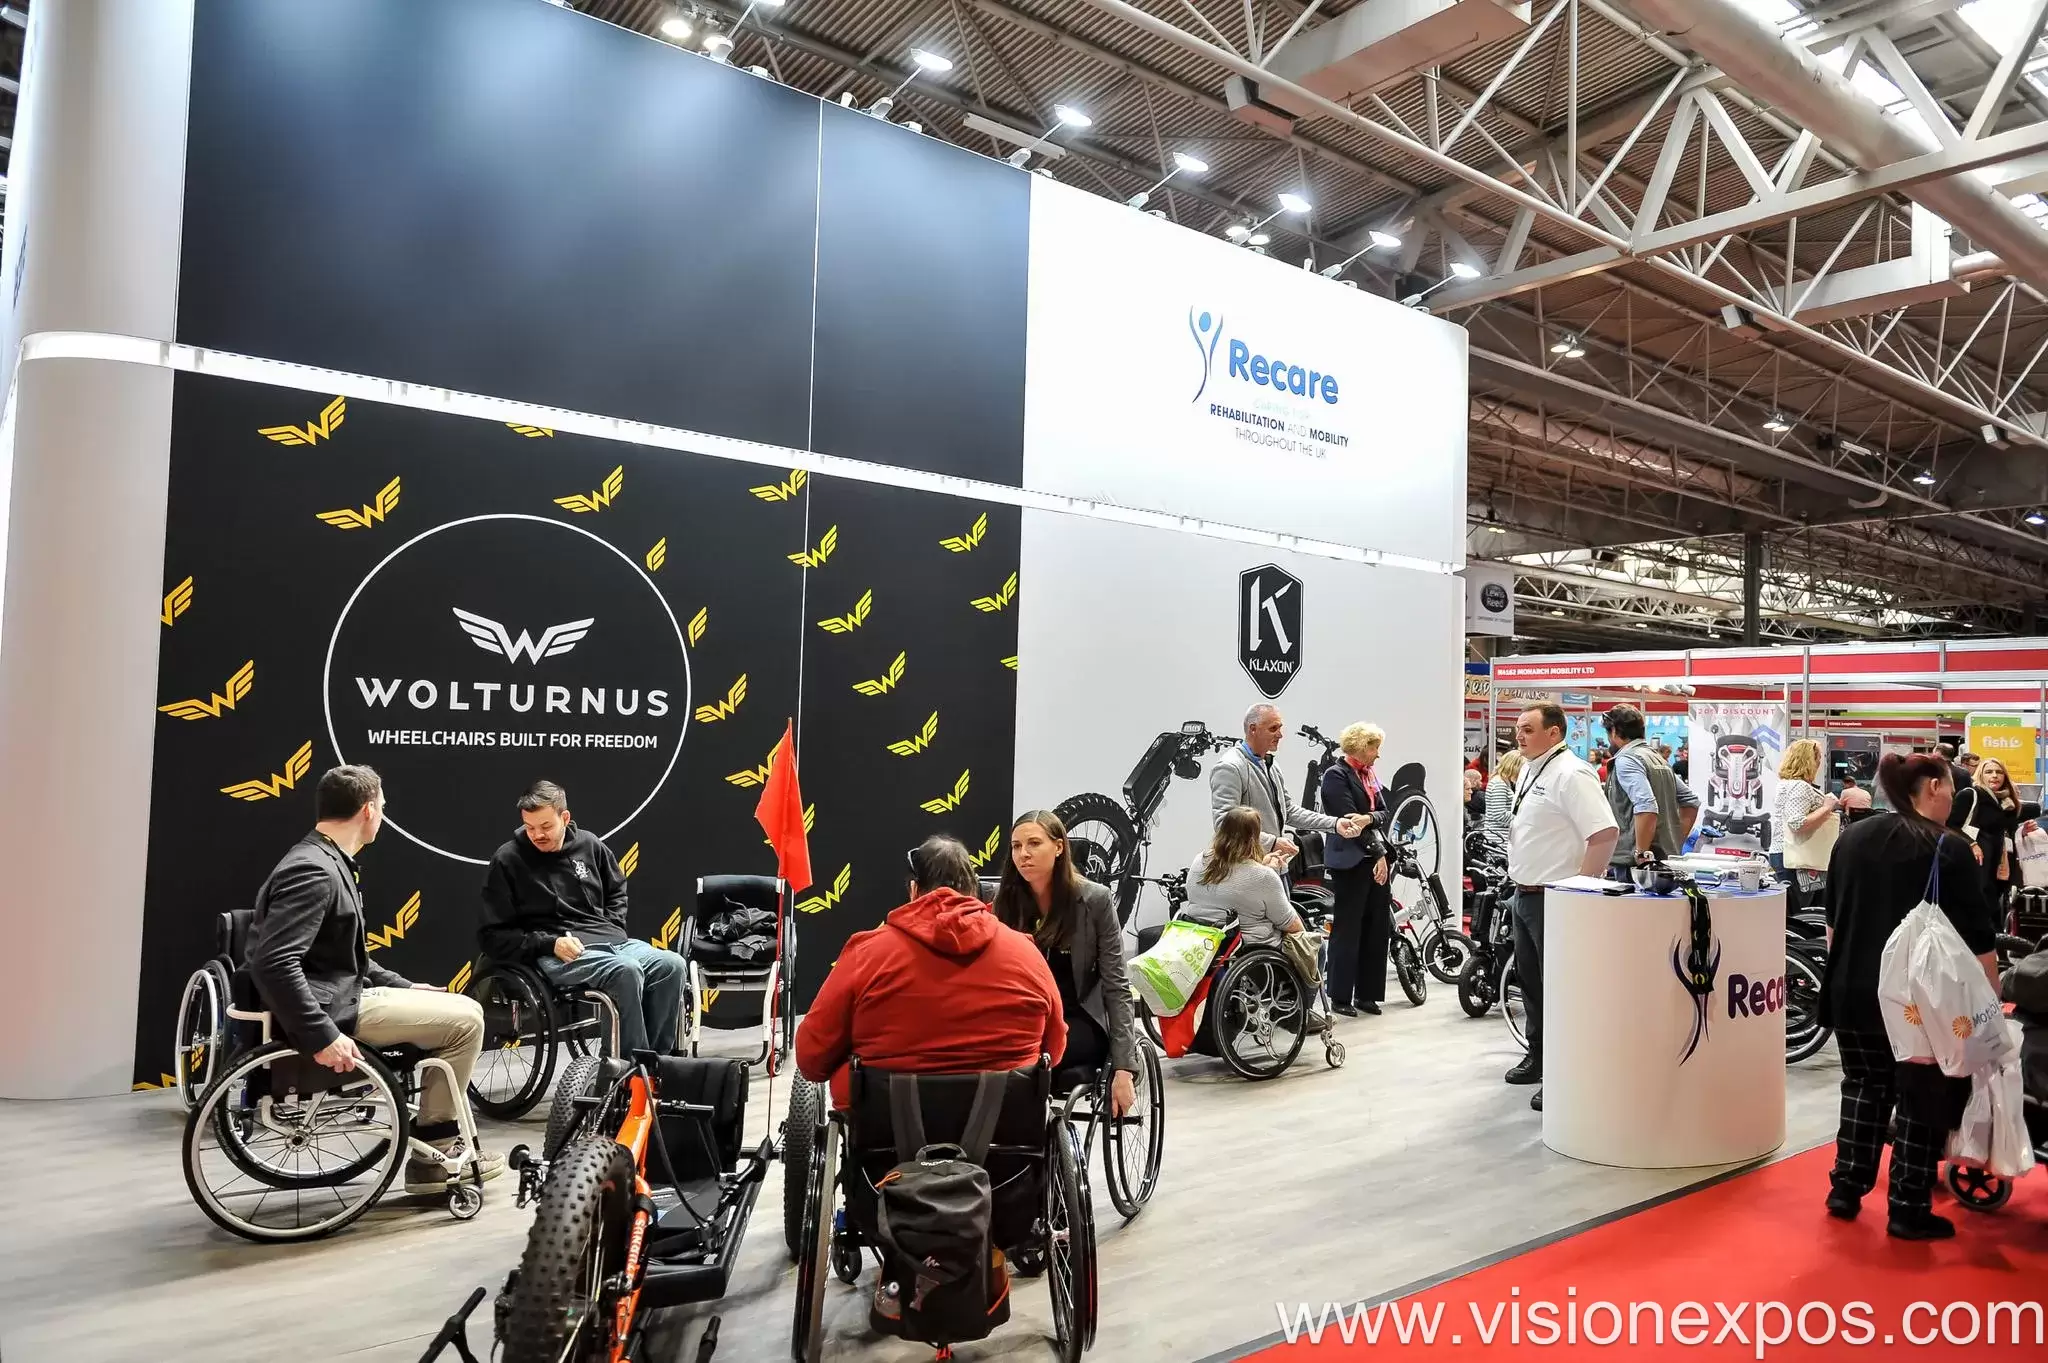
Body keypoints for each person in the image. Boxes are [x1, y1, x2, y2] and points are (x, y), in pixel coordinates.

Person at [245, 766, 500, 1193]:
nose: (382, 814)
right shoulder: (313, 871)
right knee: (467, 1022)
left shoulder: (325, 859)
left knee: (464, 1008)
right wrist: (321, 1035)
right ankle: (434, 1154)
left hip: (339, 994)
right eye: (382, 806)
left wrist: (404, 987)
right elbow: (273, 963)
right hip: (332, 1010)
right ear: (368, 810)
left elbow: (349, 958)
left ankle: (436, 1139)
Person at [1819, 752, 1999, 1239]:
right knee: (1922, 1098)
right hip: (1921, 1002)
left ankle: (1845, 1188)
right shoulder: (1948, 848)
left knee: (1862, 1086)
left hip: (1853, 988)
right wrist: (1992, 995)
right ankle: (1907, 1207)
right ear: (1933, 787)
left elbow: (1833, 922)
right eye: (1950, 789)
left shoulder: (1851, 838)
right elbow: (1978, 936)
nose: (1953, 799)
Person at [797, 834, 1064, 1108]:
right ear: (976, 891)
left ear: (914, 890)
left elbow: (811, 1059)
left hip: (883, 1124)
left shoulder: (864, 953)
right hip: (1006, 1123)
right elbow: (1054, 1052)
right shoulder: (1027, 953)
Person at [479, 780, 684, 1058]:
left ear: (565, 817)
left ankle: (656, 1063)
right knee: (626, 971)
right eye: (530, 827)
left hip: (612, 942)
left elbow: (616, 890)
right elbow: (492, 935)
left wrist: (612, 925)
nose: (537, 835)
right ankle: (625, 1069)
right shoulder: (508, 860)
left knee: (671, 965)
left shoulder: (590, 845)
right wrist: (550, 943)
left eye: (546, 826)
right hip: (555, 952)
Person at [1505, 704, 1620, 1112]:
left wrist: (1581, 889)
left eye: (1528, 728)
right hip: (1524, 894)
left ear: (1554, 733)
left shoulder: (1572, 773)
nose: (1519, 736)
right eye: (1518, 728)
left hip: (1556, 897)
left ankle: (1564, 1074)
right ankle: (1538, 1057)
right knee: (1531, 985)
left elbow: (1605, 832)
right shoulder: (1529, 769)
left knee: (1560, 991)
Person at [992, 811, 1140, 1116]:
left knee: (1030, 1058)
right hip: (1023, 1017)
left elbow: (1117, 986)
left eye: (1034, 843)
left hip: (1078, 1018)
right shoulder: (1004, 902)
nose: (1023, 854)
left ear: (1059, 847)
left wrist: (1125, 1067)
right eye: (1016, 846)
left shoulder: (1095, 900)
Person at [1210, 703, 1368, 861]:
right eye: (1273, 728)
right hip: (1247, 868)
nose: (1280, 735)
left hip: (1272, 865)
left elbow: (1288, 811)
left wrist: (1335, 824)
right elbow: (1224, 825)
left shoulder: (1271, 765)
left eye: (1280, 728)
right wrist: (1272, 843)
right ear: (1253, 729)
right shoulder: (1230, 767)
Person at [1320, 723, 1395, 1017]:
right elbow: (1349, 822)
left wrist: (1369, 819)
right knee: (1347, 928)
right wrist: (1378, 852)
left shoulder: (1370, 775)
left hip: (1374, 858)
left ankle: (1367, 994)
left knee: (1377, 928)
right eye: (1374, 748)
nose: (1378, 754)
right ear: (1361, 747)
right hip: (1350, 860)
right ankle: (1340, 995)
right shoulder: (1335, 775)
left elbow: (1385, 812)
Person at [1601, 705, 1699, 875]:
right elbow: (1690, 801)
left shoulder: (1627, 760)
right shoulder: (1656, 758)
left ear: (1615, 731)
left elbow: (1646, 806)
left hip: (1634, 866)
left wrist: (1641, 854)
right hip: (1662, 859)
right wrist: (1675, 841)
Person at [1950, 757, 2027, 921]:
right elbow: (1950, 825)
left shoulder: (2007, 802)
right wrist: (1972, 843)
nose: (1994, 776)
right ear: (1980, 774)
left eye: (1999, 772)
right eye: (1989, 772)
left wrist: (2023, 831)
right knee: (1978, 903)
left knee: (1995, 904)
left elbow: (2008, 831)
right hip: (1976, 861)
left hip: (1999, 862)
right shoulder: (1970, 795)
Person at [1771, 738, 1838, 909]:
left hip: (1786, 855)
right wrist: (1827, 807)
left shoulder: (1785, 785)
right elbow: (1796, 823)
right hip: (1800, 859)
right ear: (1809, 760)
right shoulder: (1800, 787)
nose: (1820, 763)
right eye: (1818, 758)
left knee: (1792, 909)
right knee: (1806, 911)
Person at [1483, 751, 1524, 845]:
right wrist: (1522, 817)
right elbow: (1499, 815)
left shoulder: (1500, 782)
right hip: (1499, 840)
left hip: (1498, 838)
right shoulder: (1499, 784)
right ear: (1514, 767)